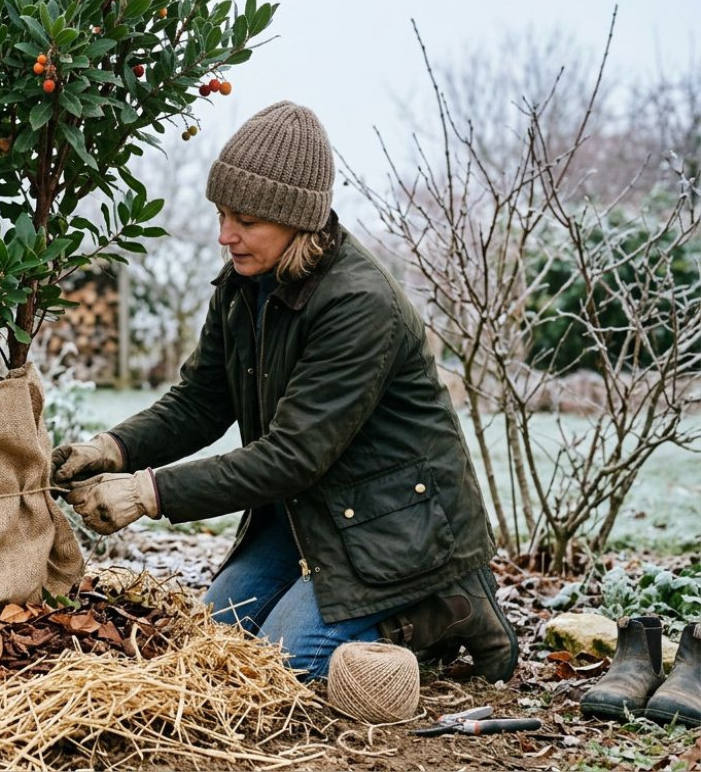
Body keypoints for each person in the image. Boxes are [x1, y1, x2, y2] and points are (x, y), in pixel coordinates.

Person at [52, 101, 517, 682]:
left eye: (246, 221)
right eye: (222, 214)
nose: (225, 235)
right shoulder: (243, 285)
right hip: (304, 513)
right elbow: (200, 401)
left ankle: (440, 608)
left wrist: (149, 494)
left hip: (394, 526)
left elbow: (292, 455)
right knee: (215, 639)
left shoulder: (358, 304)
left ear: (297, 219)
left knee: (284, 666)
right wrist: (112, 449)